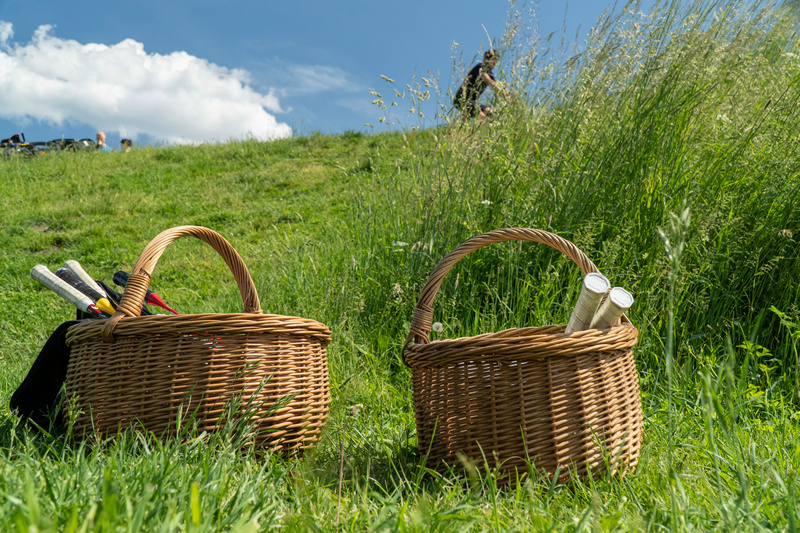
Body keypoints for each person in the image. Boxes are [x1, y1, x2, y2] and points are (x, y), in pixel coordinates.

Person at [453, 49, 501, 123]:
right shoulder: (480, 67)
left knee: (491, 113)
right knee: (484, 119)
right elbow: (487, 80)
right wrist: (502, 91)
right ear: (487, 58)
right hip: (462, 99)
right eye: (494, 59)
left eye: (497, 60)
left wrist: (508, 94)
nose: (496, 62)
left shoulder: (491, 74)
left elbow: (496, 86)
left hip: (473, 101)